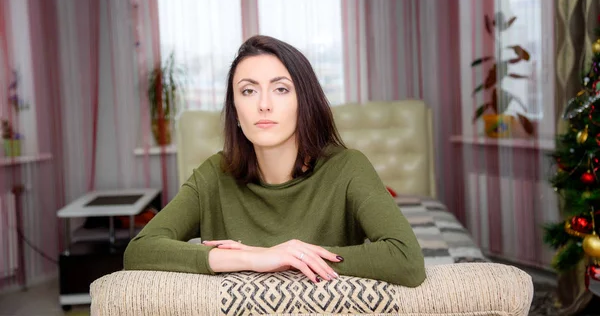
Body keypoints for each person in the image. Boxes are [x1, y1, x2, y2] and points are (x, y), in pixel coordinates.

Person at [124, 35, 426, 287]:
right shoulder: (214, 175)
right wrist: (255, 257)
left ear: (304, 102)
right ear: (236, 112)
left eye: (281, 89)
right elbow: (139, 251)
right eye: (248, 91)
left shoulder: (348, 168)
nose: (263, 105)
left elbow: (406, 259)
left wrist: (292, 259)